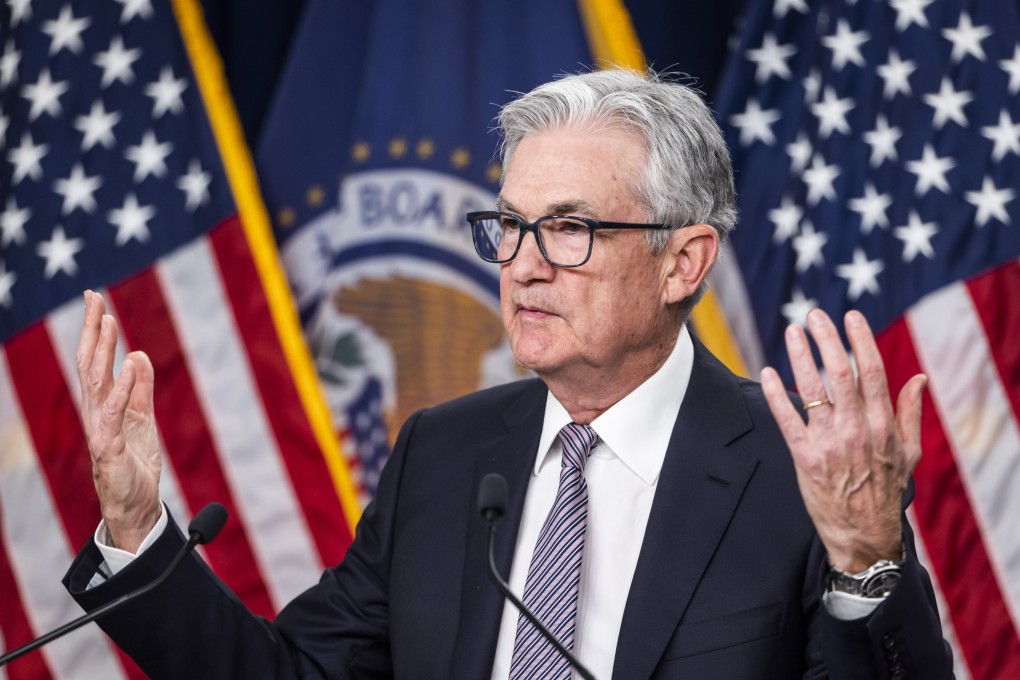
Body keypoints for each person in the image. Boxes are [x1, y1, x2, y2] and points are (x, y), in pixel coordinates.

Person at [66, 69, 952, 679]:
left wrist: (866, 561)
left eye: (568, 229)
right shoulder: (443, 455)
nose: (523, 266)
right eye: (510, 227)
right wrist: (137, 529)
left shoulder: (800, 475)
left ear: (683, 262)